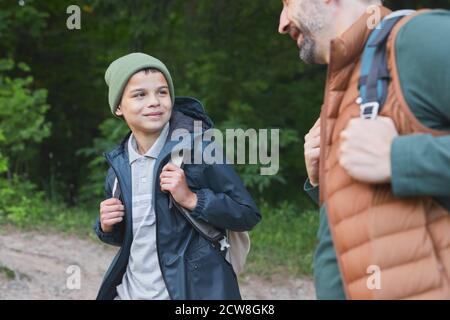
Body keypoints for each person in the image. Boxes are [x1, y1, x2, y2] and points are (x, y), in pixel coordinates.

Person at [278, 0, 450, 299]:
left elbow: (395, 164)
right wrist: (324, 183)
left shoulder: (416, 39)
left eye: (287, 3)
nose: (281, 23)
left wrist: (399, 158)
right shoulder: (350, 84)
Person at [94, 52, 261, 300]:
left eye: (162, 92)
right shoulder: (119, 166)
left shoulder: (200, 149)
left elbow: (247, 213)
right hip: (129, 293)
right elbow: (139, 236)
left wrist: (193, 199)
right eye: (140, 95)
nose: (154, 102)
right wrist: (107, 226)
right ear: (118, 107)